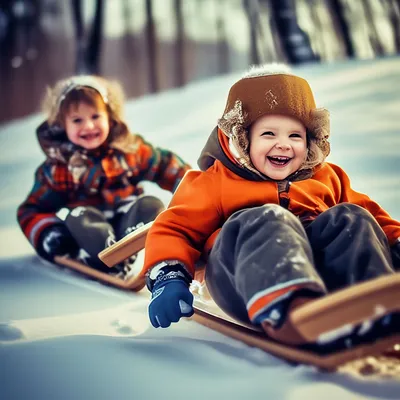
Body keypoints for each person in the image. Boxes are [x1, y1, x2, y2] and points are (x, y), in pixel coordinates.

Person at [141, 63, 400, 348]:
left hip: (320, 276)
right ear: (242, 138)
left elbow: (374, 219)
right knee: (268, 218)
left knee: (351, 217)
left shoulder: (328, 176)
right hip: (242, 278)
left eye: (295, 136)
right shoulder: (212, 182)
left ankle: (376, 299)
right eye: (269, 134)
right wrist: (168, 277)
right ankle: (290, 308)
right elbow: (175, 229)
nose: (284, 145)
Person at [17, 75, 191, 275]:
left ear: (109, 116)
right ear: (62, 125)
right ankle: (106, 255)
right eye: (77, 120)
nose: (89, 126)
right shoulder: (59, 168)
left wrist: (190, 189)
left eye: (95, 117)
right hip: (89, 231)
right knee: (80, 218)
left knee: (150, 204)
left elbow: (165, 166)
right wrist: (49, 233)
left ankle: (128, 248)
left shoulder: (129, 151)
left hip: (127, 218)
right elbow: (31, 210)